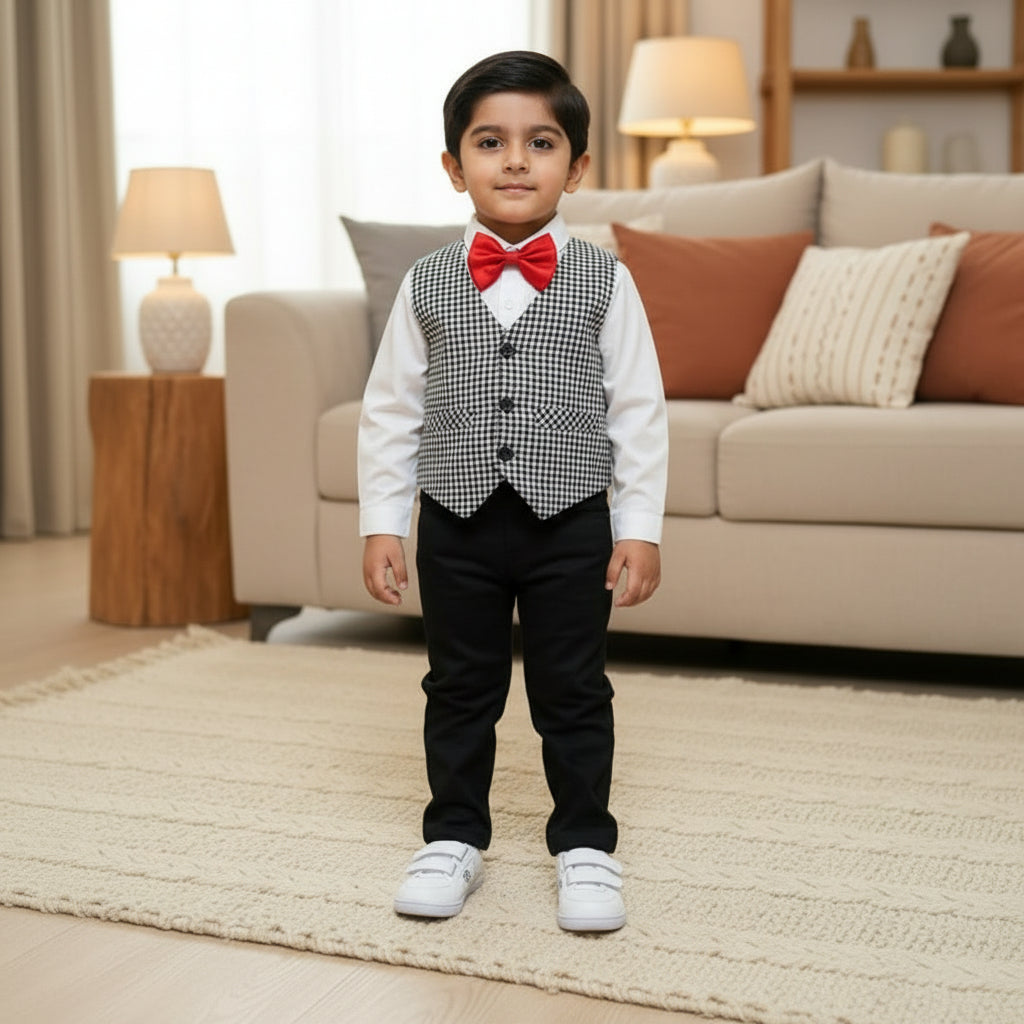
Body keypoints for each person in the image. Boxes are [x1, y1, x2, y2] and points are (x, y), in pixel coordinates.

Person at [357, 50, 667, 932]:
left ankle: (584, 845)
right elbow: (388, 412)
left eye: (541, 141)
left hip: (570, 521)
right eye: (491, 142)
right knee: (458, 685)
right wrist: (384, 524)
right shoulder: (426, 282)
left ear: (578, 166)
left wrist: (638, 526)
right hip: (454, 523)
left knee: (572, 687)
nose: (517, 161)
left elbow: (639, 409)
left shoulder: (607, 278)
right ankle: (454, 834)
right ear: (455, 166)